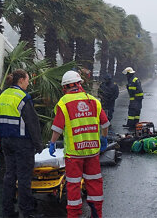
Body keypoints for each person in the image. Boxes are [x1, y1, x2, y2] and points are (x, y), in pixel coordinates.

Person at [49, 71, 110, 218]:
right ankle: (96, 214)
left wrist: (52, 143)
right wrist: (104, 138)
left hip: (74, 154)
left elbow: (57, 128)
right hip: (92, 152)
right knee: (94, 183)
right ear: (80, 84)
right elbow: (105, 123)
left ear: (65, 87)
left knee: (74, 186)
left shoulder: (64, 102)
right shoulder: (94, 101)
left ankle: (74, 215)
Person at [0, 69, 43, 218]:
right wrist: (38, 145)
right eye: (27, 79)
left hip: (5, 141)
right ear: (21, 80)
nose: (28, 82)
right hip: (22, 142)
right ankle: (27, 212)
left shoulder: (3, 95)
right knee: (24, 178)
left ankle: (8, 211)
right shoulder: (23, 97)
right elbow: (32, 123)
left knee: (9, 176)